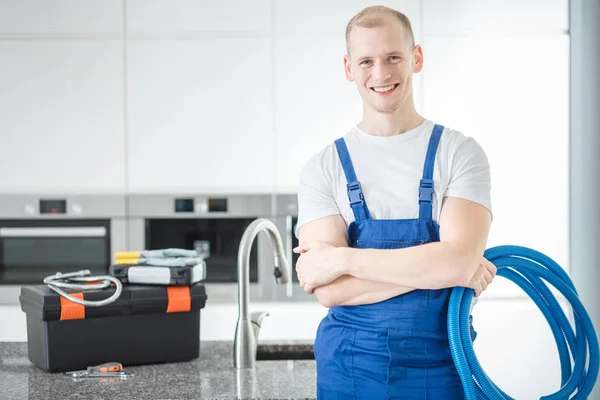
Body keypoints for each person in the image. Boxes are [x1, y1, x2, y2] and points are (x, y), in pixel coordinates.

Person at [292, 5, 497, 399]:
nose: (381, 74)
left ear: (416, 58)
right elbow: (330, 292)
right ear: (349, 68)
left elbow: (459, 263)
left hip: (442, 367)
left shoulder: (459, 154)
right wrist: (436, 267)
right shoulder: (323, 167)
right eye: (366, 61)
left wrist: (342, 259)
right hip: (349, 370)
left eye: (393, 58)